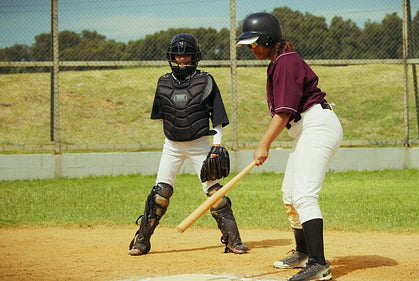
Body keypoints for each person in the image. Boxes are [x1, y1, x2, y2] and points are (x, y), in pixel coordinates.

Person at [236, 13, 343, 281]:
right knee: (289, 193)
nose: (251, 49)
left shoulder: (286, 62)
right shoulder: (278, 62)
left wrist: (264, 144)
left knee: (304, 194)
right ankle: (305, 253)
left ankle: (319, 264)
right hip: (307, 129)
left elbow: (283, 113)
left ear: (268, 39)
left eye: (253, 43)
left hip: (317, 126)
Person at [128, 33, 248, 256]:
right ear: (171, 57)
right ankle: (141, 241)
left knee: (215, 193)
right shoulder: (163, 82)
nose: (182, 60)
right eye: (178, 56)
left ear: (195, 57)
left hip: (200, 145)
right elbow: (162, 116)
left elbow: (218, 117)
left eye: (187, 56)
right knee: (160, 194)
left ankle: (233, 241)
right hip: (172, 146)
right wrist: (173, 134)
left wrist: (216, 146)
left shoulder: (206, 80)